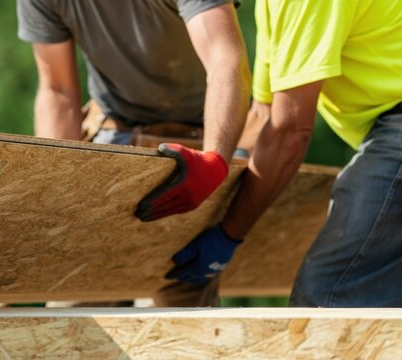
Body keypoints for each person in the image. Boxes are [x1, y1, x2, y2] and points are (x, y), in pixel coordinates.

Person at [17, 0, 251, 306]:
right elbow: (58, 89)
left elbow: (225, 60)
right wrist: (58, 182)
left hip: (194, 145)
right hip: (112, 133)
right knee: (73, 308)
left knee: (176, 318)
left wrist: (215, 160)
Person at [216, 0, 402, 307]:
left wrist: (227, 234)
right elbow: (266, 116)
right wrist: (213, 171)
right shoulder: (272, 7)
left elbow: (290, 131)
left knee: (330, 301)